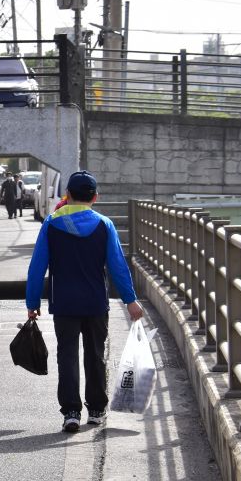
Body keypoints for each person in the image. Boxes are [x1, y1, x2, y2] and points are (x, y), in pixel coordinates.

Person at [24, 170, 144, 433]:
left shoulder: (52, 223)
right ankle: (97, 409)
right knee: (95, 355)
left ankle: (70, 412)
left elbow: (37, 268)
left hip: (64, 303)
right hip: (95, 302)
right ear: (95, 197)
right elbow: (117, 267)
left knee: (67, 356)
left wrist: (32, 302)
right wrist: (130, 300)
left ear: (67, 195)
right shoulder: (104, 225)